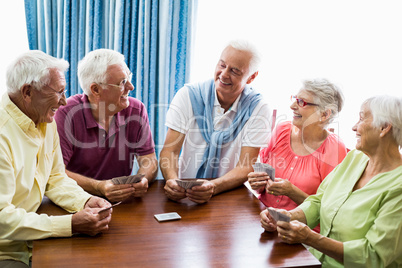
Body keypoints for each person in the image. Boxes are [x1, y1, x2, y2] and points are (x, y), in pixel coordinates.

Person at [0, 50, 113, 268]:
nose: (63, 102)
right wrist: (69, 224)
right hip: (7, 251)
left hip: (35, 240)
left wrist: (85, 200)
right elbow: (1, 218)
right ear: (27, 92)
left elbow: (55, 177)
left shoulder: (43, 118)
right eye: (59, 92)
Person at [261, 95, 402, 267]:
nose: (354, 127)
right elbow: (319, 201)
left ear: (384, 128)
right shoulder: (355, 158)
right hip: (312, 260)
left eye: (361, 118)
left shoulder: (398, 188)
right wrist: (287, 217)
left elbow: (372, 256)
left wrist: (310, 238)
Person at [160, 40, 271, 204]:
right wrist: (172, 181)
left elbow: (246, 165)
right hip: (185, 193)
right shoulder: (188, 95)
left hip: (230, 195)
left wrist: (213, 187)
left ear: (252, 77)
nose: (224, 74)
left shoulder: (259, 108)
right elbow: (170, 151)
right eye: (222, 65)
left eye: (234, 71)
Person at [54, 49, 158, 203]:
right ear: (95, 90)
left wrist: (142, 178)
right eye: (122, 82)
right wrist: (99, 187)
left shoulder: (137, 109)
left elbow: (148, 159)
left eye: (129, 78)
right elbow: (56, 172)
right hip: (78, 201)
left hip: (122, 203)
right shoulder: (65, 114)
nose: (131, 87)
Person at [248, 79, 348, 231]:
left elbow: (330, 210)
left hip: (299, 234)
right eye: (295, 99)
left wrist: (291, 191)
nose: (292, 106)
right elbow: (262, 181)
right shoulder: (281, 130)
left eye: (302, 102)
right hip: (261, 219)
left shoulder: (334, 149)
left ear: (325, 114)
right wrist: (257, 183)